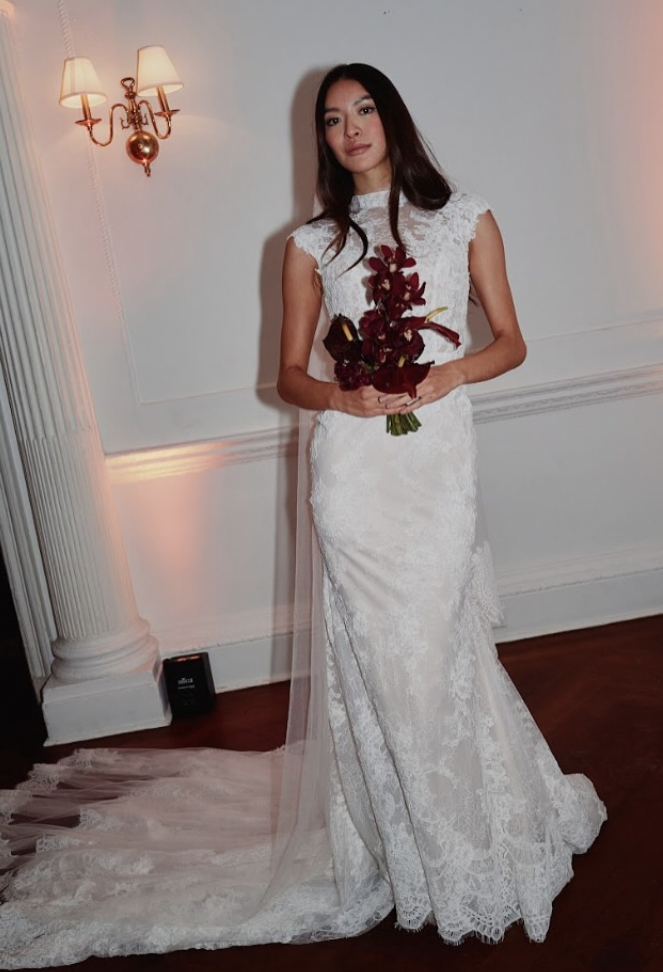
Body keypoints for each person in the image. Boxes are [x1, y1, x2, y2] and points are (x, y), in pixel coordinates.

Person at [0, 64, 606, 969]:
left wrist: (449, 374)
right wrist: (341, 395)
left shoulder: (466, 217)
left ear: (392, 119)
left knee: (436, 647)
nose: (351, 128)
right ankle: (406, 851)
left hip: (435, 461)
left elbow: (511, 340)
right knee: (378, 659)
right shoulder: (310, 244)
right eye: (333, 119)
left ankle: (479, 826)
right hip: (353, 467)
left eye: (364, 111)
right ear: (320, 140)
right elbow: (285, 375)